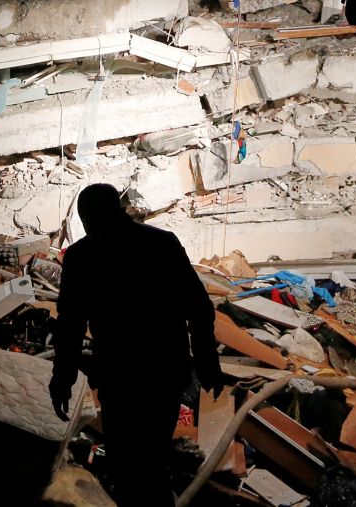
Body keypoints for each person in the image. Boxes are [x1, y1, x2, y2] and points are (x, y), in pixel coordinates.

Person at [50, 184, 223, 506]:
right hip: (162, 372)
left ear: (87, 218)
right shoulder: (160, 243)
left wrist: (63, 378)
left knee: (128, 463)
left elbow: (70, 325)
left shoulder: (82, 256)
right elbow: (198, 308)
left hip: (122, 376)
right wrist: (207, 363)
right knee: (153, 460)